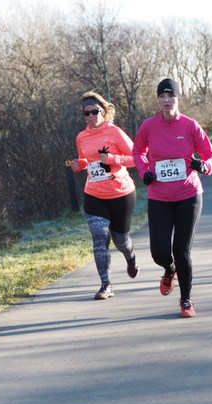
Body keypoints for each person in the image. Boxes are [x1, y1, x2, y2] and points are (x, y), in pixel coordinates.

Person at [132, 78, 212, 318]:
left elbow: (211, 155)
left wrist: (204, 166)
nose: (167, 100)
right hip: (159, 196)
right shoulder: (149, 126)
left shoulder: (190, 126)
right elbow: (138, 151)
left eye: (171, 96)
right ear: (158, 99)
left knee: (182, 250)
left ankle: (186, 300)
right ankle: (170, 270)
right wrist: (144, 171)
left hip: (188, 195)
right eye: (162, 96)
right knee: (159, 252)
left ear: (178, 99)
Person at [69, 91, 139, 300]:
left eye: (94, 112)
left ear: (103, 112)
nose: (90, 116)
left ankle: (131, 257)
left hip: (121, 193)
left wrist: (112, 159)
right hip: (94, 194)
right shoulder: (82, 137)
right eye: (86, 113)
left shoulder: (115, 133)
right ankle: (105, 285)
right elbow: (86, 160)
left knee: (120, 240)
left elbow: (136, 158)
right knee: (100, 239)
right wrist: (79, 164)